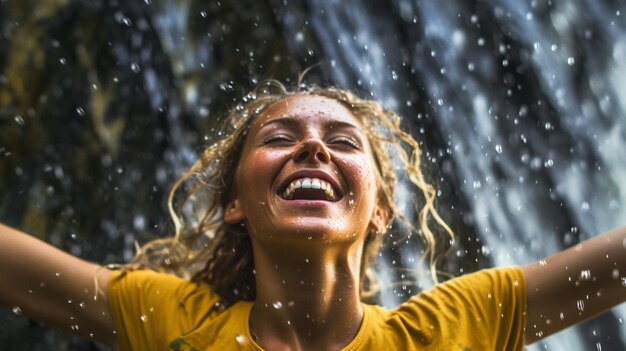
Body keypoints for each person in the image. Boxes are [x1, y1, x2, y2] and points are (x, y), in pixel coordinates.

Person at [1, 80, 625, 351]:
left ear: (380, 208)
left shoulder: (454, 329)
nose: (314, 146)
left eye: (344, 141)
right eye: (279, 136)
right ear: (234, 205)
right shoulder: (172, 324)